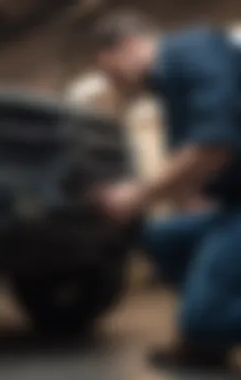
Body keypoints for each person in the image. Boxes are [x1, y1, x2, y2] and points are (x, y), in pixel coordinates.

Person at [90, 12, 241, 369]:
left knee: (205, 321)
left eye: (107, 69)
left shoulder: (190, 51)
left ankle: (206, 328)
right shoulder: (169, 90)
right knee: (162, 237)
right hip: (232, 206)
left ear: (127, 47)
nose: (112, 82)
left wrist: (137, 195)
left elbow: (214, 146)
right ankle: (206, 337)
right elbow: (198, 178)